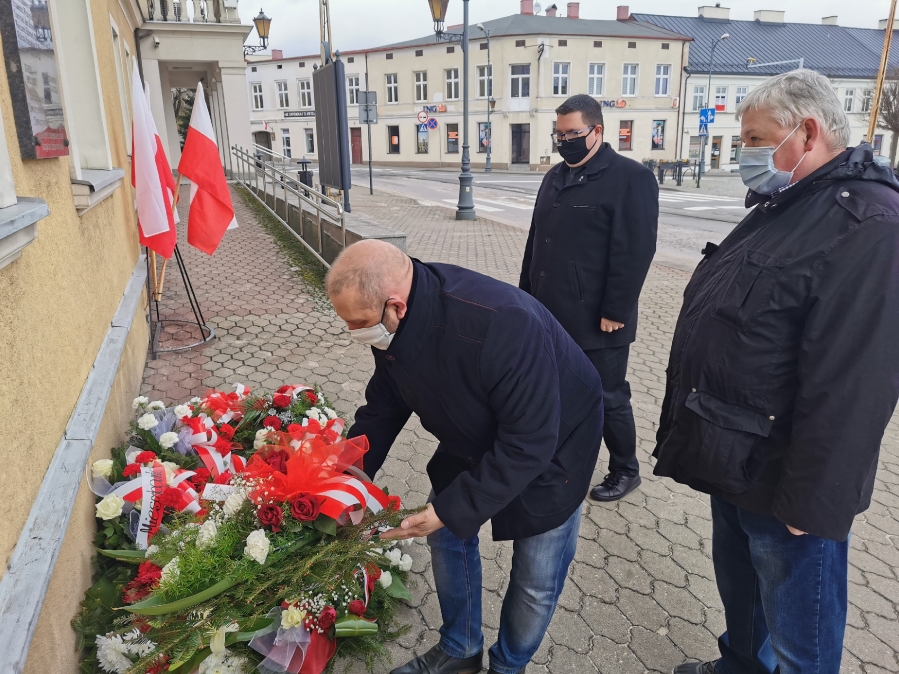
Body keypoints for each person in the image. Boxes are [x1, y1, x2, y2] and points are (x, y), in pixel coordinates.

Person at [654, 69, 899, 674]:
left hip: (786, 482)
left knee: (799, 631)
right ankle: (741, 664)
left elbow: (855, 384)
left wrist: (811, 502)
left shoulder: (868, 225)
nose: (745, 154)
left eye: (756, 139)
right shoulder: (788, 203)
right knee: (744, 594)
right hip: (734, 454)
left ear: (807, 132)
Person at [326, 240, 603, 674]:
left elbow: (529, 441)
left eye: (358, 323)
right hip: (474, 426)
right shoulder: (397, 320)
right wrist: (344, 479)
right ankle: (461, 648)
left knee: (536, 576)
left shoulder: (501, 322)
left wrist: (451, 508)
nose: (353, 333)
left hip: (554, 445)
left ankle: (508, 666)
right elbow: (383, 405)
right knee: (446, 533)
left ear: (396, 305)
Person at [519, 94, 658, 502]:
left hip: (600, 318)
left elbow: (635, 250)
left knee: (608, 395)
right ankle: (562, 459)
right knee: (557, 388)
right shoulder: (554, 176)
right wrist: (525, 298)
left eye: (572, 134)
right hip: (550, 310)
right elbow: (536, 242)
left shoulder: (630, 178)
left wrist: (616, 309)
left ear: (597, 130)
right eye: (559, 135)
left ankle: (626, 469)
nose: (564, 142)